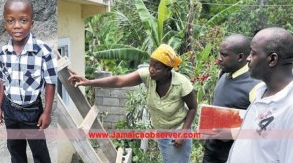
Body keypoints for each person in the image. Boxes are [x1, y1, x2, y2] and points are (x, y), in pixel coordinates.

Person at [69, 44, 197, 163]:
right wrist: (89, 82)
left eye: (156, 68)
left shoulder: (181, 83)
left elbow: (192, 108)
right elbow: (118, 81)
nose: (151, 70)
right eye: (150, 65)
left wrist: (183, 134)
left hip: (178, 133)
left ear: (168, 69)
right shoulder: (148, 76)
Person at [0, 0, 57, 163]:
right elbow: (3, 80)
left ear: (32, 23)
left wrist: (47, 112)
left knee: (40, 152)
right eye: (10, 21)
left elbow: (50, 82)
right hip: (9, 109)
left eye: (23, 20)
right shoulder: (4, 52)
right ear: (5, 24)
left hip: (32, 112)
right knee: (15, 149)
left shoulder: (43, 51)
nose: (17, 25)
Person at [227, 27, 293, 162]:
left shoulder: (289, 108)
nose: (248, 59)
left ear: (272, 59)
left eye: (253, 53)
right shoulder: (261, 91)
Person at [202, 34, 260, 163]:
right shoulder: (223, 74)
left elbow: (261, 127)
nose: (219, 59)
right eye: (219, 54)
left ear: (240, 57)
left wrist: (232, 133)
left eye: (224, 55)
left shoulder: (255, 86)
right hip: (211, 149)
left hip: (233, 153)